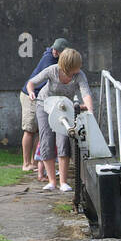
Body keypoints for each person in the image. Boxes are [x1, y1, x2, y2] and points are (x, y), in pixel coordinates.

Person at [26, 47, 94, 192]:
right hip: (45, 105)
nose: (79, 68)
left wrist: (90, 111)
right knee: (46, 140)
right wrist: (31, 92)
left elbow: (86, 93)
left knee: (63, 139)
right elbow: (31, 82)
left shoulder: (79, 75)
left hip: (63, 108)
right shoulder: (52, 70)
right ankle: (52, 181)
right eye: (76, 66)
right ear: (68, 65)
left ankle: (63, 182)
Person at [19, 37, 70, 170]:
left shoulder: (60, 60)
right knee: (29, 129)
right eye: (54, 49)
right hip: (30, 94)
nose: (54, 52)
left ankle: (34, 162)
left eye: (57, 51)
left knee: (39, 130)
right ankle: (26, 163)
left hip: (41, 97)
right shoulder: (49, 60)